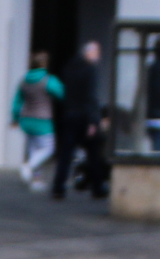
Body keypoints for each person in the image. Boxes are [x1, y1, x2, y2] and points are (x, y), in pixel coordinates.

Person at [52, 40, 103, 200]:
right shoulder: (90, 70)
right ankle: (97, 187)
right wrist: (93, 121)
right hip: (84, 116)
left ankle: (58, 187)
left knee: (66, 154)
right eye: (96, 53)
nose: (98, 56)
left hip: (70, 114)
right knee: (94, 153)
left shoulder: (69, 68)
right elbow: (91, 97)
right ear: (90, 53)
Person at [12, 52, 62, 190]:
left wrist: (15, 118)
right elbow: (60, 93)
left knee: (34, 150)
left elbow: (17, 101)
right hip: (43, 121)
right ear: (43, 64)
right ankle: (28, 166)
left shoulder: (23, 80)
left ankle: (36, 181)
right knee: (48, 149)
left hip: (26, 120)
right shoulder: (48, 80)